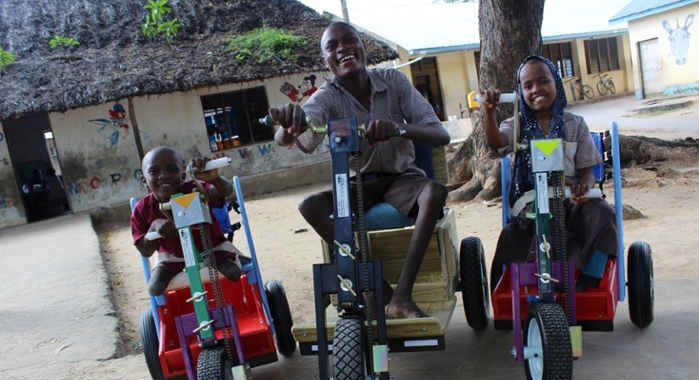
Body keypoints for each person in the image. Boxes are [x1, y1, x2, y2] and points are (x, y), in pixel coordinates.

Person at [266, 21, 451, 319]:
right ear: (326, 60)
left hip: (401, 178)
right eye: (332, 46)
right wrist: (290, 125)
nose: (343, 48)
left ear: (363, 47)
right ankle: (385, 294)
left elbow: (440, 135)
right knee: (309, 205)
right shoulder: (326, 97)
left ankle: (403, 297)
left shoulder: (394, 81)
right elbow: (289, 137)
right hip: (356, 185)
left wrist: (397, 129)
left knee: (435, 192)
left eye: (350, 40)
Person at [482, 55, 617, 293]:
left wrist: (584, 189)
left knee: (603, 212)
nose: (537, 90)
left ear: (556, 82)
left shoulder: (575, 124)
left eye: (543, 81)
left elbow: (588, 172)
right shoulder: (517, 125)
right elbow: (497, 141)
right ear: (521, 91)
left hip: (571, 199)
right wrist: (489, 112)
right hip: (533, 201)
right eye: (528, 86)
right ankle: (541, 281)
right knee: (540, 221)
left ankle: (588, 279)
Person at [131, 146, 241, 296]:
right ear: (144, 180)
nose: (163, 176)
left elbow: (225, 190)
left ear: (183, 177)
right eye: (154, 171)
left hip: (213, 249)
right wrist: (154, 226)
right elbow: (145, 251)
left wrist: (214, 178)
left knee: (233, 272)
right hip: (173, 256)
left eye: (171, 169)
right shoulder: (142, 209)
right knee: (154, 288)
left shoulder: (194, 189)